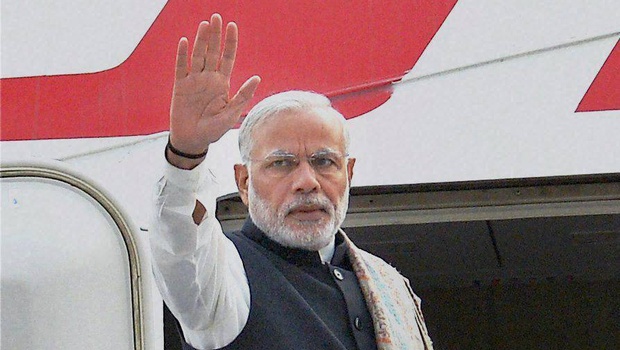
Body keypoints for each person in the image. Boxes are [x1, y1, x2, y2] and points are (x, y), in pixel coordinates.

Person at [150, 13, 433, 350]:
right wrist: (187, 152)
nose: (306, 182)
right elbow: (180, 250)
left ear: (349, 174)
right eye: (282, 164)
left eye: (324, 161)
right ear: (243, 182)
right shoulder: (225, 275)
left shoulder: (387, 284)